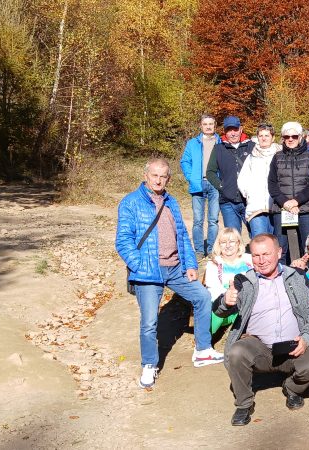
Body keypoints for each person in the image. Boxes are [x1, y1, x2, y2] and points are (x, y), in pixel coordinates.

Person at [116, 157, 224, 389]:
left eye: (163, 176)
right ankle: (149, 364)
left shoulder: (171, 202)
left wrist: (191, 265)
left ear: (168, 178)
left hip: (175, 268)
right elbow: (123, 241)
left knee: (202, 297)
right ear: (146, 176)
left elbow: (183, 236)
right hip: (148, 272)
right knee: (149, 322)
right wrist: (141, 265)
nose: (158, 180)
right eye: (154, 175)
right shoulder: (131, 202)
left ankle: (203, 349)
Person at [214, 233, 309, 426]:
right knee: (237, 351)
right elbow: (218, 310)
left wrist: (306, 338)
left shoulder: (296, 277)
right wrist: (226, 301)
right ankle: (243, 403)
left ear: (279, 252)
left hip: (294, 347)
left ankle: (291, 388)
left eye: (266, 254)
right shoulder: (244, 282)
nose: (261, 260)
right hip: (260, 348)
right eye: (256, 256)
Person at [268, 121, 309, 263]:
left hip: (306, 208)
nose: (290, 139)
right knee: (281, 248)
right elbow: (272, 184)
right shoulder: (277, 157)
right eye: (286, 136)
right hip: (282, 208)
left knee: (308, 246)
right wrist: (285, 203)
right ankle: (281, 280)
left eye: (294, 136)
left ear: (301, 137)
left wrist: (296, 201)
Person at [180, 114, 222, 258]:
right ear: (201, 126)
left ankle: (211, 250)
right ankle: (198, 251)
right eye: (205, 124)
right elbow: (185, 162)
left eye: (211, 124)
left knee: (213, 220)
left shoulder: (221, 142)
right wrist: (191, 177)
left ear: (215, 125)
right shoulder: (193, 143)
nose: (208, 126)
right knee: (198, 220)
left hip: (215, 184)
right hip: (198, 183)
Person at [206, 115, 254, 234]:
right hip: (228, 202)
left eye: (235, 129)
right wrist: (222, 186)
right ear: (225, 132)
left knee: (256, 234)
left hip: (250, 201)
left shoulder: (252, 146)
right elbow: (210, 172)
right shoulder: (218, 149)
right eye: (229, 130)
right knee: (233, 236)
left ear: (241, 129)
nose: (233, 133)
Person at [205, 228, 252, 334]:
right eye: (223, 242)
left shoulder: (249, 259)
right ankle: (203, 344)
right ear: (219, 245)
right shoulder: (213, 264)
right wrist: (228, 297)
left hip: (246, 305)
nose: (228, 245)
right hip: (224, 308)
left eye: (232, 241)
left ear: (238, 243)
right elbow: (213, 291)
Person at [238, 123, 280, 238]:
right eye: (261, 135)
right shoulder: (252, 157)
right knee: (260, 241)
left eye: (267, 135)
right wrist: (249, 193)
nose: (264, 138)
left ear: (273, 137)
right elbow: (242, 179)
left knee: (276, 243)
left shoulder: (280, 155)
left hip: (277, 206)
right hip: (256, 207)